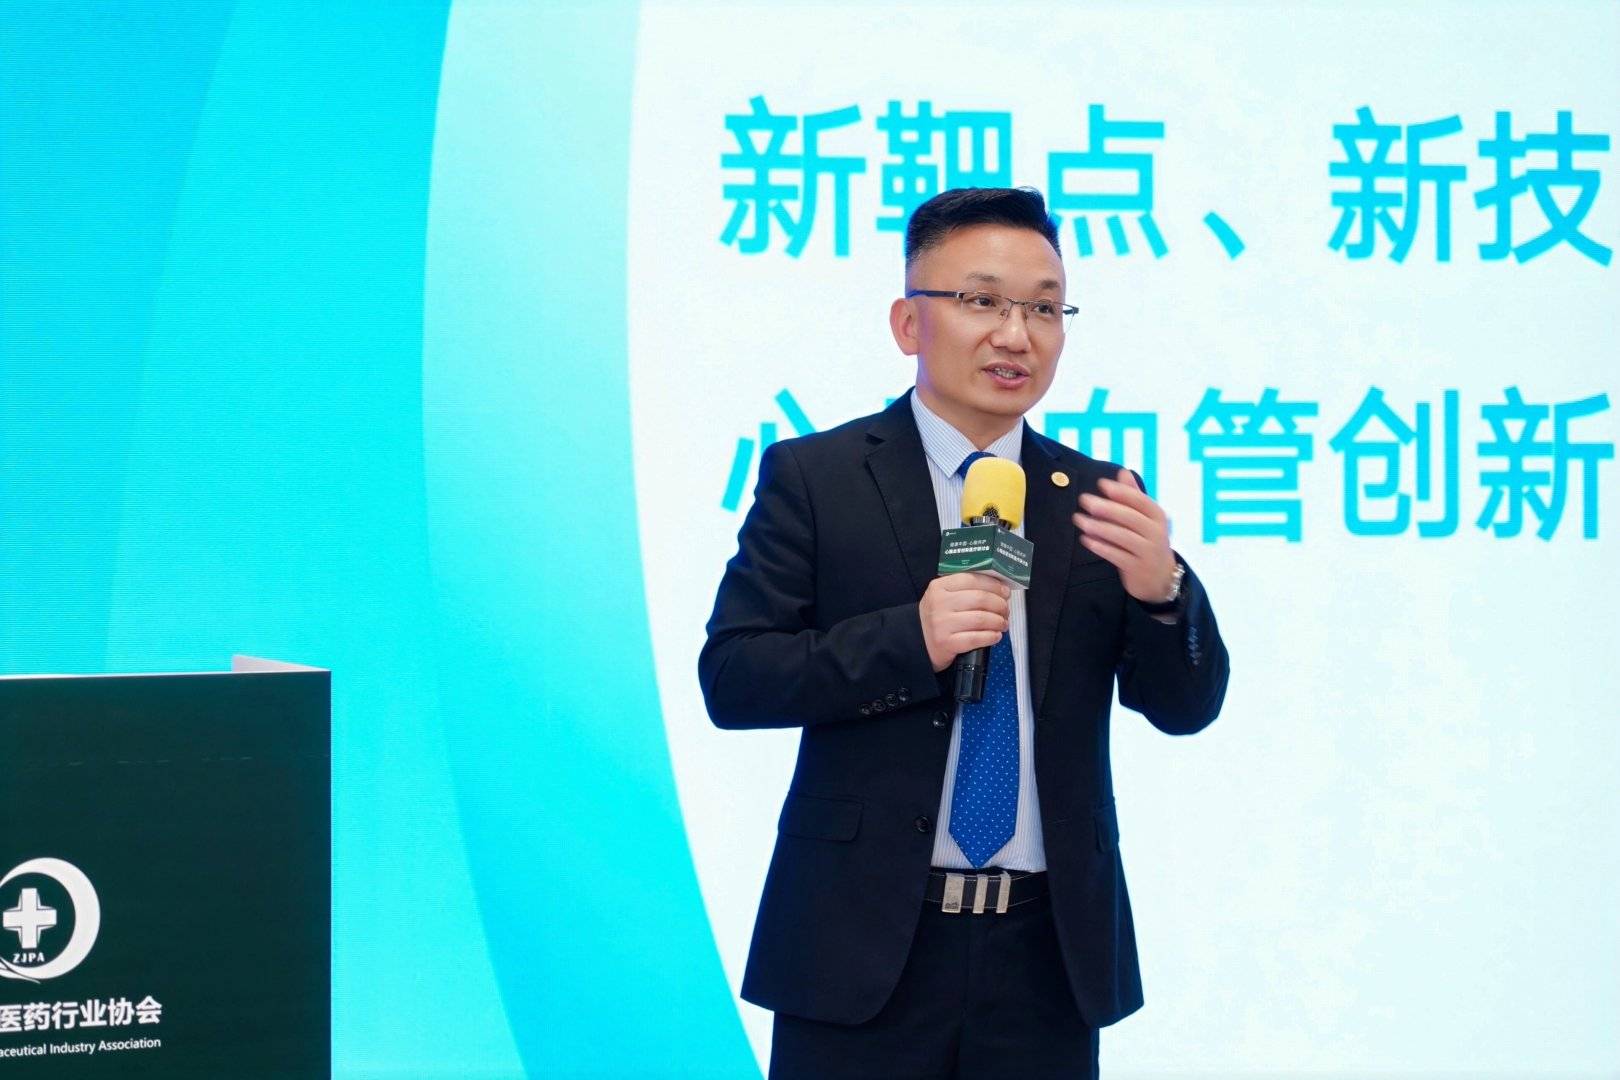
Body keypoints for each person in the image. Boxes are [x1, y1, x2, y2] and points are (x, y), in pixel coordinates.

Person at [698, 186, 1229, 1079]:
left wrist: (1163, 591)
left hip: (1045, 957)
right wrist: (912, 639)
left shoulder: (1099, 501)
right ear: (910, 323)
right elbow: (736, 676)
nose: (1016, 335)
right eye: (983, 301)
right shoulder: (820, 478)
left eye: (1044, 309)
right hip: (861, 948)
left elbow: (1186, 706)